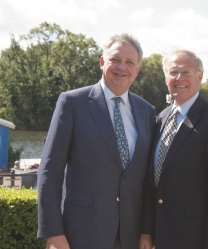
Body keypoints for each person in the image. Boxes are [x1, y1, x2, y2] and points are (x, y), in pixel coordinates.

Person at [37, 33, 155, 249]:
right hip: (80, 233)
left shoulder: (147, 111)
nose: (122, 67)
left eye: (130, 62)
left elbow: (147, 179)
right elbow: (50, 171)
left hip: (131, 235)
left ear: (137, 70)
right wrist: (53, 232)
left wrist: (147, 230)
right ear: (102, 62)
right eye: (115, 60)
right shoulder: (72, 103)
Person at [149, 50, 208, 249]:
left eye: (186, 72)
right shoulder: (161, 118)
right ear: (166, 78)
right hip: (158, 238)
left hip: (193, 239)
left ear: (200, 76)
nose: (179, 78)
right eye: (173, 72)